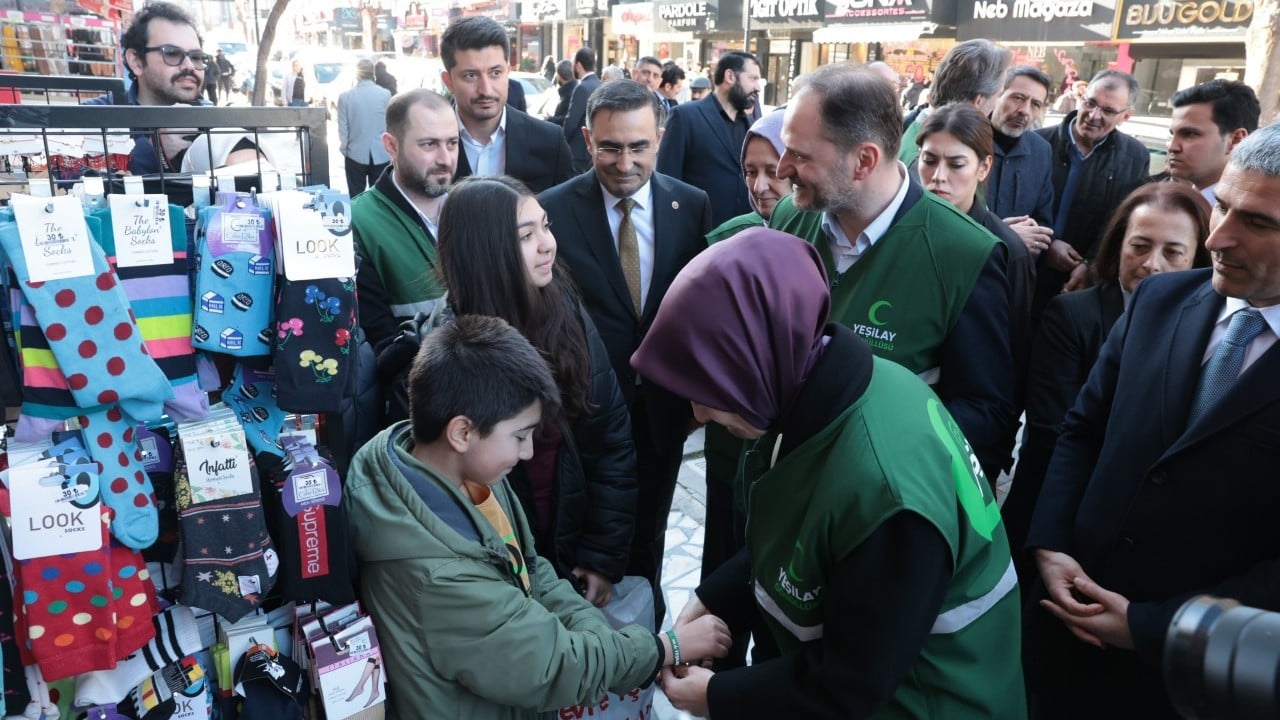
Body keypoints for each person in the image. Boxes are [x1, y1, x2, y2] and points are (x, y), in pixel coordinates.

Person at [632, 228, 1025, 718]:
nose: (700, 412)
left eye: (708, 385)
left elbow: (850, 684)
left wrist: (716, 698)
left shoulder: (886, 492)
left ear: (758, 358)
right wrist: (713, 596)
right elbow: (792, 530)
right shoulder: (821, 391)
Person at [343, 314, 732, 718]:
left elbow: (529, 568)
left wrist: (598, 637)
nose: (527, 453)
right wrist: (665, 647)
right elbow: (555, 665)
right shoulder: (437, 574)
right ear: (462, 432)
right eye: (519, 436)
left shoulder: (462, 472)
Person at [1022, 121, 1280, 719]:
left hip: (1198, 681)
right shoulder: (1161, 301)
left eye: (1259, 223)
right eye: (1222, 208)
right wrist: (1050, 544)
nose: (1218, 239)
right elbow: (1083, 428)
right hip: (1063, 633)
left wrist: (1150, 626)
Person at [376, 176, 641, 604]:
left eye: (546, 226)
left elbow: (609, 435)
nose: (547, 244)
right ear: (485, 250)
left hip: (572, 545)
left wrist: (601, 554)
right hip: (498, 570)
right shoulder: (449, 351)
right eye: (526, 234)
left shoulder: (565, 309)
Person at [769, 63, 1016, 482]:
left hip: (873, 506)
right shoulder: (790, 216)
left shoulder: (965, 252)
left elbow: (983, 411)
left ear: (864, 160)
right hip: (776, 486)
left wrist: (886, 465)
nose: (781, 169)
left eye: (801, 154)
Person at [538, 80, 713, 625]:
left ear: (659, 139)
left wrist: (691, 404)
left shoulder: (692, 205)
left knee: (649, 536)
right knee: (585, 541)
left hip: (663, 415)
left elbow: (699, 310)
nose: (625, 161)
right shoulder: (553, 212)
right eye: (611, 147)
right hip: (583, 415)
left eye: (638, 146)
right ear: (588, 140)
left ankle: (646, 649)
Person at [1008, 183, 1210, 587]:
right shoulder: (1072, 316)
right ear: (1118, 246)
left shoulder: (1208, 330)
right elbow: (1053, 430)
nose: (1152, 264)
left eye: (1173, 251)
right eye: (1139, 246)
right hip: (1057, 515)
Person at [916, 102, 1035, 477]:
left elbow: (1011, 364)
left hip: (959, 442)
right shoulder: (905, 230)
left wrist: (993, 452)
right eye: (929, 160)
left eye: (956, 164)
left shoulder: (1004, 252)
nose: (938, 177)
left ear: (983, 168)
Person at [352, 89, 458, 351]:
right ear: (391, 146)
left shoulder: (474, 207)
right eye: (429, 144)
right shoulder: (357, 222)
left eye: (452, 143)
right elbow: (378, 338)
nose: (445, 158)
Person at [1034, 69, 1150, 303]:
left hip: (1084, 284)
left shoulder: (1135, 157)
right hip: (1028, 267)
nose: (1094, 115)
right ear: (1081, 97)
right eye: (1090, 103)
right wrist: (1047, 244)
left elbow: (1122, 220)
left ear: (1126, 116)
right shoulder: (1037, 143)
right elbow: (1016, 204)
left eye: (1108, 110)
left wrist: (1090, 264)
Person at [441, 17, 573, 193]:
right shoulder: (424, 144)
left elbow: (569, 212)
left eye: (495, 73)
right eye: (471, 75)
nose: (486, 90)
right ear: (448, 81)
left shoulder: (549, 142)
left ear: (508, 72)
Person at [83, 1, 210, 174]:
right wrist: (153, 150)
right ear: (136, 61)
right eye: (171, 53)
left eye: (196, 56)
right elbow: (64, 176)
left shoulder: (214, 121)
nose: (189, 66)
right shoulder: (96, 117)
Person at [658, 51, 763, 227]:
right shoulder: (684, 117)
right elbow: (666, 181)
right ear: (730, 76)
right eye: (753, 78)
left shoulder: (752, 126)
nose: (758, 87)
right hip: (697, 237)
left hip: (743, 238)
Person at [901, 39, 1011, 166]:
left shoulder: (922, 134)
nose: (997, 104)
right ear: (977, 102)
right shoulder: (934, 158)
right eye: (998, 95)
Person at [987, 66, 1056, 257]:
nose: (1024, 111)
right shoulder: (965, 141)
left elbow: (1043, 220)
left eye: (1035, 104)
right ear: (996, 95)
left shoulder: (1041, 151)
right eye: (1018, 98)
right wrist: (1005, 236)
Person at [1166, 79, 1259, 205]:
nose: (1172, 147)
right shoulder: (1167, 201)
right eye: (1172, 134)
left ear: (1237, 139)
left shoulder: (1254, 211)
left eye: (1189, 134)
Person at [338, 58, 393, 196]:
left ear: (357, 74)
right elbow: (390, 124)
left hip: (354, 153)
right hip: (381, 153)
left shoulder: (345, 97)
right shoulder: (385, 94)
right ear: (372, 73)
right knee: (381, 197)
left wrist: (345, 149)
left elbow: (343, 129)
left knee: (355, 197)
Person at [562, 47, 602, 173]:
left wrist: (560, 142)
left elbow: (571, 122)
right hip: (593, 148)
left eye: (573, 63)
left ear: (578, 65)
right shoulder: (600, 84)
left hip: (578, 152)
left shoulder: (582, 88)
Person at [547, 59, 577, 125]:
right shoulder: (569, 90)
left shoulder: (570, 93)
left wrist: (550, 119)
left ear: (560, 75)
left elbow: (567, 119)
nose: (556, 76)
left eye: (557, 73)